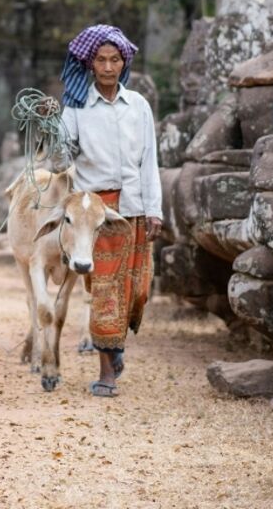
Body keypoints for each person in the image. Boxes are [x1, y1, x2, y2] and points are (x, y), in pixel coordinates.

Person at [60, 24, 162, 398]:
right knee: (105, 288)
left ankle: (115, 344)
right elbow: (61, 157)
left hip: (135, 207)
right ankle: (107, 371)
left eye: (114, 59)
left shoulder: (139, 106)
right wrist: (47, 126)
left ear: (124, 62)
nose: (107, 66)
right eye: (100, 59)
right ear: (90, 64)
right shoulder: (75, 107)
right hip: (96, 212)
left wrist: (155, 210)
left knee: (137, 290)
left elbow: (150, 160)